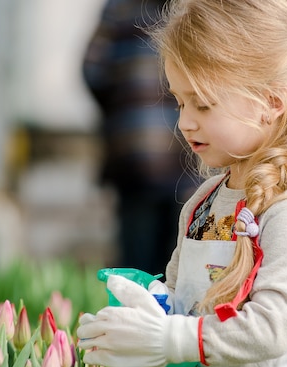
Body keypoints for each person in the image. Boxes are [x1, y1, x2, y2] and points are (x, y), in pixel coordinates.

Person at [78, 0, 287, 367]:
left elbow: (271, 328)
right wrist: (149, 310)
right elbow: (186, 304)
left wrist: (171, 338)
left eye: (202, 103)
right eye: (180, 102)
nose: (184, 121)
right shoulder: (203, 204)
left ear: (271, 102)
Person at [82, 0, 197, 275]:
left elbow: (92, 70)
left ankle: (132, 315)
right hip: (187, 157)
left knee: (136, 266)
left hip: (133, 153)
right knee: (181, 264)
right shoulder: (196, 9)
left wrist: (123, 111)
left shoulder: (119, 8)